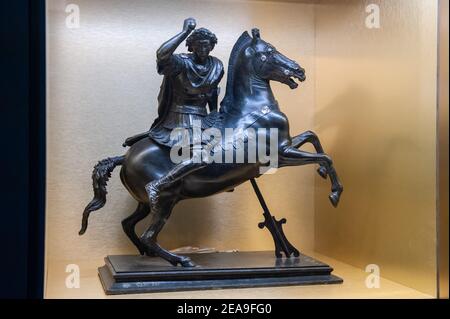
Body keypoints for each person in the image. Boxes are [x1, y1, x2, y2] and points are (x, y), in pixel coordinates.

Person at [123, 18, 224, 147]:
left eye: (206, 45)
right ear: (191, 46)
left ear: (212, 46)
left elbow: (212, 90)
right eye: (199, 45)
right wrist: (185, 32)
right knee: (194, 151)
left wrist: (214, 113)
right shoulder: (181, 62)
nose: (203, 49)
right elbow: (162, 55)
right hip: (180, 118)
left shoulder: (217, 65)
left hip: (204, 118)